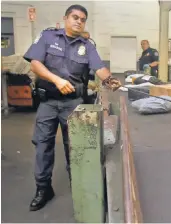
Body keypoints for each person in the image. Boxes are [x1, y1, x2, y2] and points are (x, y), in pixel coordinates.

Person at [23, 4, 121, 211]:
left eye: (82, 19)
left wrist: (110, 79)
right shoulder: (48, 37)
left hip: (73, 104)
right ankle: (43, 189)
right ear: (66, 18)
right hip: (48, 102)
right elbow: (35, 64)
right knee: (43, 145)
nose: (78, 21)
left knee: (75, 147)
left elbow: (99, 67)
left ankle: (78, 187)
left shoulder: (87, 45)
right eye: (75, 17)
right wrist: (56, 80)